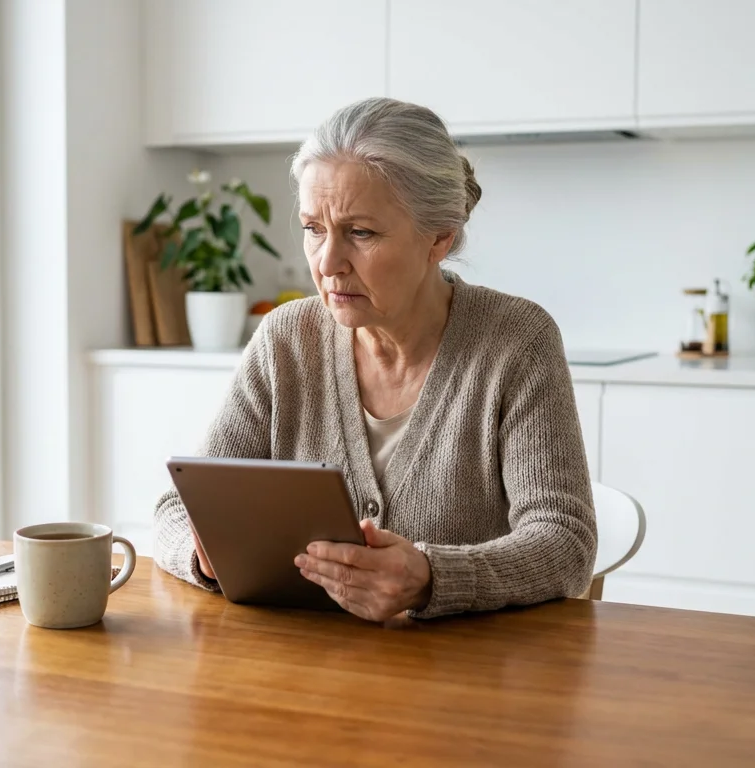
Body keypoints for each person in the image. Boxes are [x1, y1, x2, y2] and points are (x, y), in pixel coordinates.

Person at [153, 97, 597, 621]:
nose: (327, 262)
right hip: (306, 671)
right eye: (313, 228)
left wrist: (432, 578)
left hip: (469, 678)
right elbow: (176, 510)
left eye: (360, 233)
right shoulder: (284, 340)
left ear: (439, 237)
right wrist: (205, 555)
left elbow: (565, 542)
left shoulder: (515, 341)